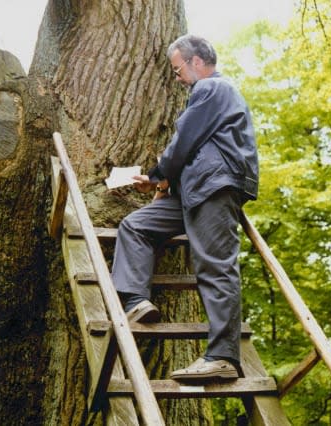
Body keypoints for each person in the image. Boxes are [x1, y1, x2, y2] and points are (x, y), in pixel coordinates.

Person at [110, 34, 258, 381]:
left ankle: (223, 357)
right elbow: (192, 147)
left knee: (215, 266)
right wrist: (161, 183)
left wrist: (158, 173)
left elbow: (184, 139)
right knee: (135, 225)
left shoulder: (211, 89)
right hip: (192, 190)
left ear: (195, 62)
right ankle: (135, 300)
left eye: (177, 70)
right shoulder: (212, 97)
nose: (176, 78)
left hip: (213, 187)